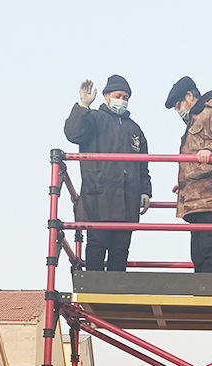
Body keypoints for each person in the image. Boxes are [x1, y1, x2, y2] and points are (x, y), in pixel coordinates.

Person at [64, 75, 152, 271]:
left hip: (127, 202)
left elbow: (143, 166)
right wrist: (82, 107)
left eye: (126, 97)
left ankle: (115, 291)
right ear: (106, 96)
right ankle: (94, 287)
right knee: (96, 248)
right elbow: (73, 134)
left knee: (120, 252)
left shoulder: (135, 130)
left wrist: (145, 191)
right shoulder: (93, 119)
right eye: (118, 96)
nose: (122, 100)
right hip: (99, 199)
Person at [165, 76, 212, 273]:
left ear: (189, 96)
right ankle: (202, 291)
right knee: (199, 256)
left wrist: (211, 150)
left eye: (178, 105)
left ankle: (211, 292)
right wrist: (184, 182)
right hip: (197, 200)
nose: (178, 110)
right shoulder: (194, 120)